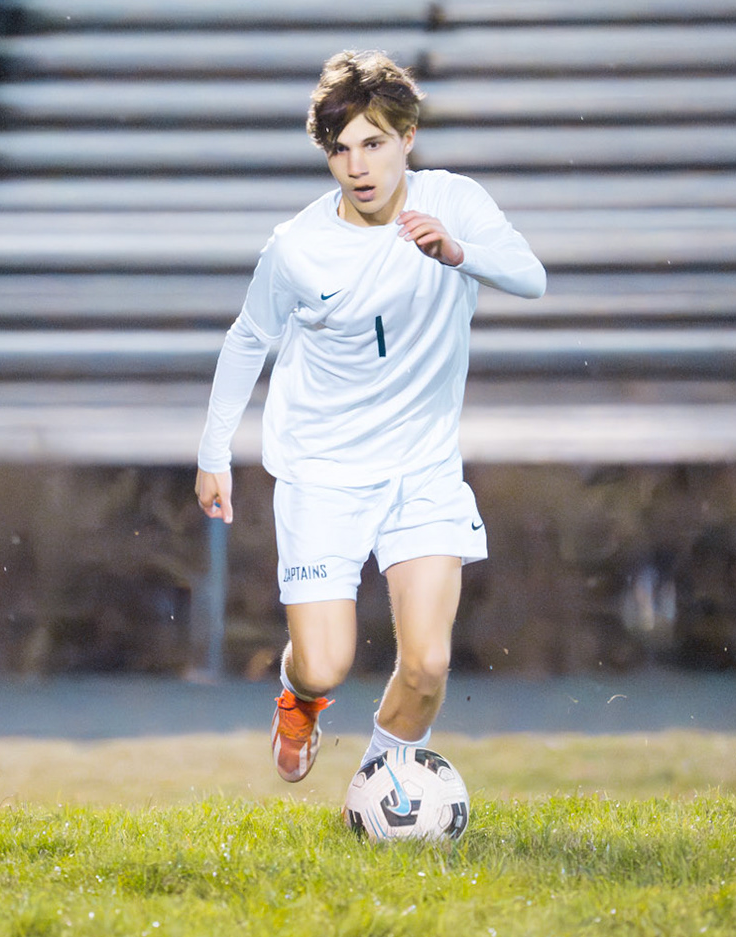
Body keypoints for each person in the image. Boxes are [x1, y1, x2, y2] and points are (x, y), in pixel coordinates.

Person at [194, 50, 545, 783]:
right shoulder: (298, 248)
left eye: (374, 143)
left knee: (427, 665)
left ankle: (384, 790)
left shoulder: (454, 203)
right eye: (340, 149)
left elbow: (531, 277)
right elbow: (248, 337)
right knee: (326, 663)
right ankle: (298, 698)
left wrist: (459, 252)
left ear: (407, 138)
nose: (357, 166)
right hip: (322, 474)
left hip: (423, 470)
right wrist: (213, 454)